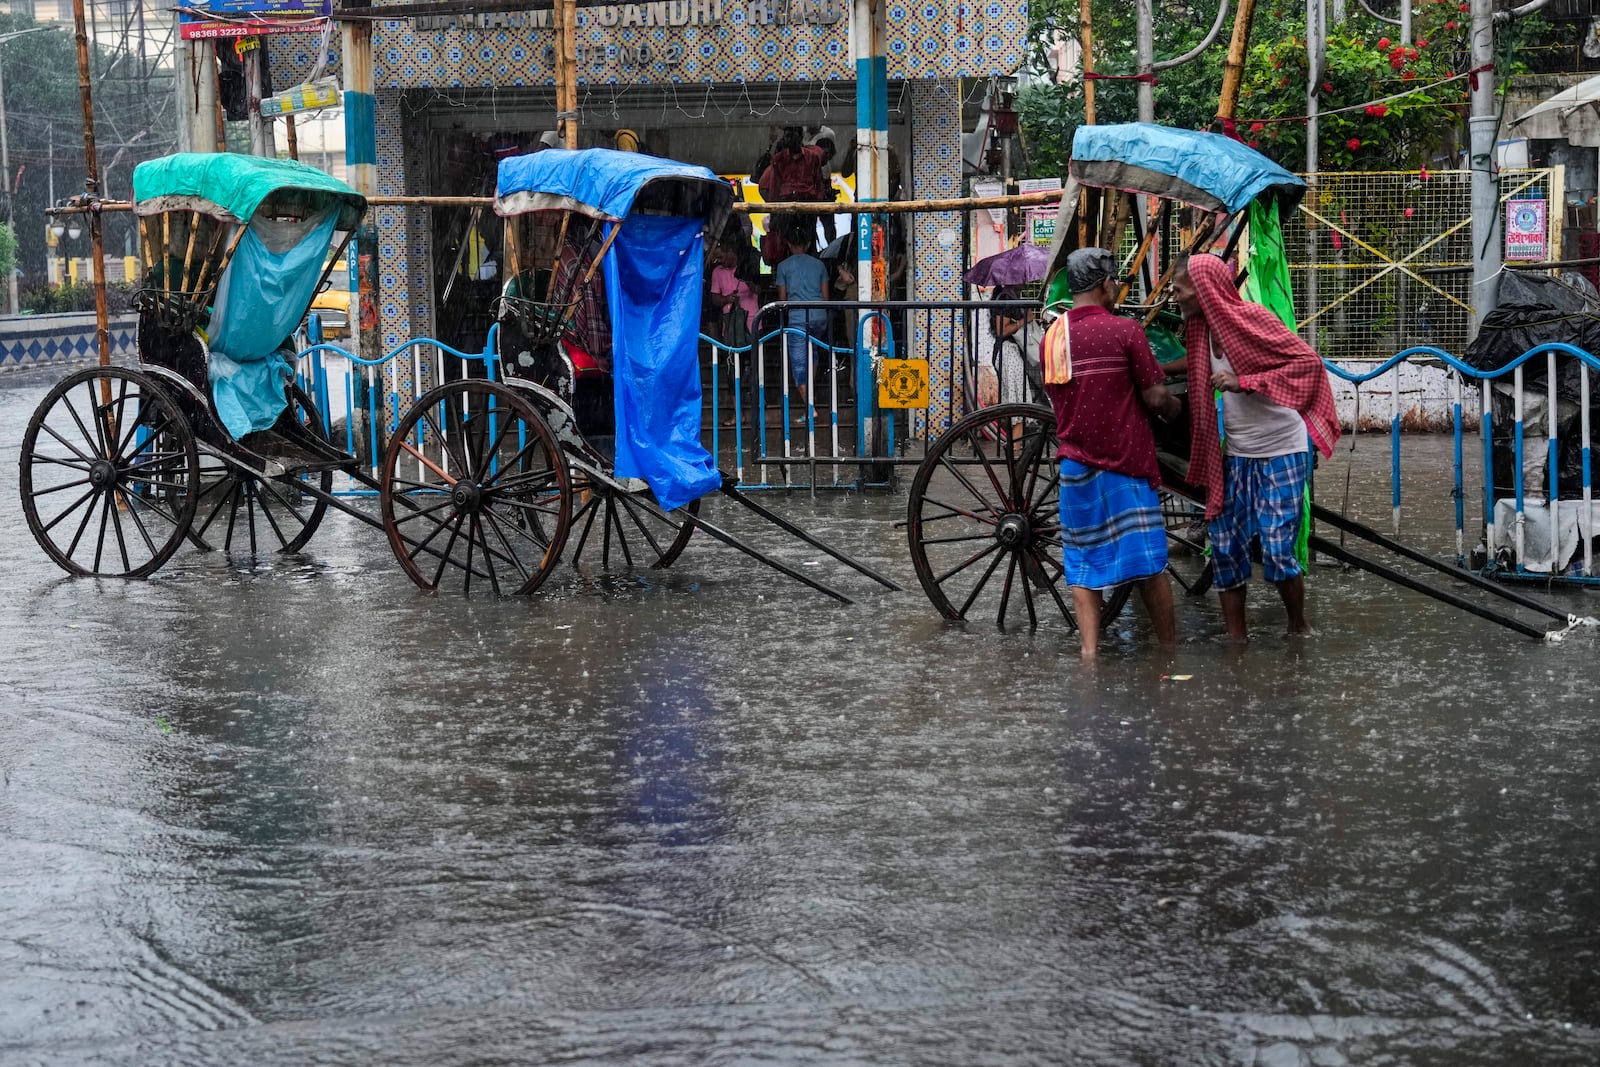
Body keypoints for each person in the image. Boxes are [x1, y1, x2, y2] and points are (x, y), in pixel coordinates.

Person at [1170, 253, 1341, 640]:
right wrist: (1156, 369)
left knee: (1278, 548)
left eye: (1179, 291)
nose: (1175, 298)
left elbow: (1307, 364)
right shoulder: (1201, 332)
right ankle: (1236, 639)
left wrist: (1245, 382)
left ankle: (1298, 627)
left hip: (1283, 448)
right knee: (1226, 546)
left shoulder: (1253, 319)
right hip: (1238, 454)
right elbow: (1196, 365)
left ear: (1203, 291)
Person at [1045, 247, 1182, 657]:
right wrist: (1178, 410)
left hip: (1075, 465)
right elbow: (1156, 398)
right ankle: (1169, 651)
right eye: (1115, 282)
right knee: (1148, 564)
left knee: (1083, 564)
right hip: (1123, 464)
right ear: (1106, 285)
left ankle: (1089, 654)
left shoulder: (1053, 336)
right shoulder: (1125, 331)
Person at [772, 223, 830, 415]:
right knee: (812, 353)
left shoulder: (783, 267)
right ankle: (810, 396)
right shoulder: (819, 265)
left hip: (797, 318)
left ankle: (809, 406)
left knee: (798, 362)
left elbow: (782, 297)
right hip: (818, 316)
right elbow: (825, 296)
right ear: (807, 244)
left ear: (788, 244)